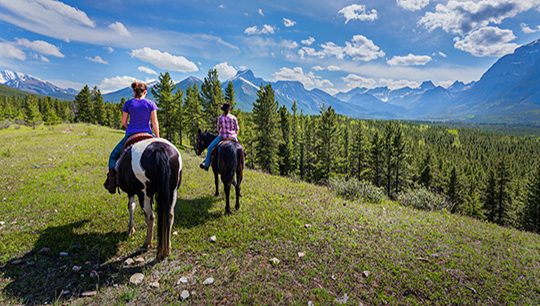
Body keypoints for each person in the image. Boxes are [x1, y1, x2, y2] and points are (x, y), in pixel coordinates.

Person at [104, 81, 160, 193]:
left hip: (131, 134)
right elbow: (154, 123)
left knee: (113, 156)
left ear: (134, 92)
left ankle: (112, 183)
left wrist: (131, 127)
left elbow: (123, 122)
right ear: (145, 92)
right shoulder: (151, 104)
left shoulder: (128, 104)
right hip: (147, 134)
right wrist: (158, 137)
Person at [200, 103, 239, 171]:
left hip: (223, 137)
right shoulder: (233, 117)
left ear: (223, 110)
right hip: (233, 137)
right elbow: (237, 129)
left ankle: (206, 165)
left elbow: (218, 129)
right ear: (229, 110)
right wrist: (234, 135)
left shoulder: (220, 118)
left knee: (209, 148)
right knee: (240, 149)